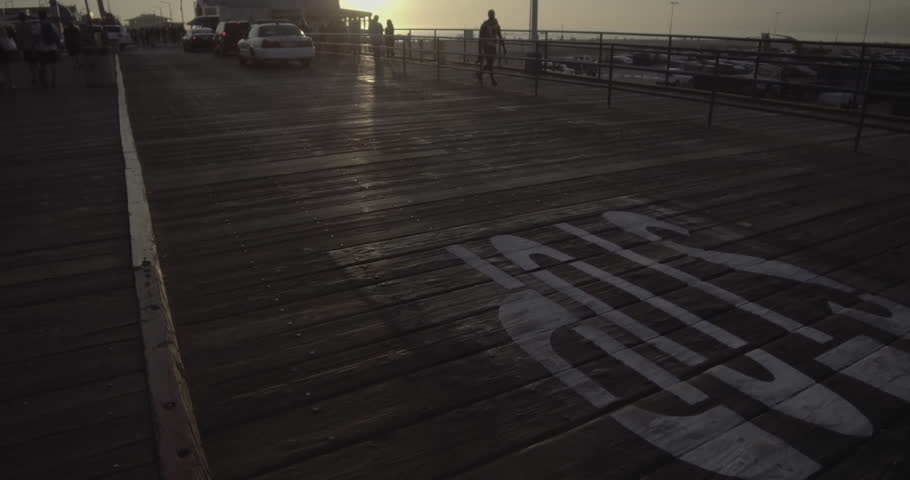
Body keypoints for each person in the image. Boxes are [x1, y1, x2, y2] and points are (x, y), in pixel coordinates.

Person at [477, 9, 506, 87]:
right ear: (488, 15)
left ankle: (480, 73)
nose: (492, 15)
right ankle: (492, 80)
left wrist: (503, 46)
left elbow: (499, 34)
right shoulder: (485, 24)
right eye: (490, 14)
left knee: (490, 63)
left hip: (493, 45)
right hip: (487, 46)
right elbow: (480, 37)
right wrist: (480, 49)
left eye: (493, 14)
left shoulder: (496, 23)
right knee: (490, 63)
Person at [35, 10, 60, 88]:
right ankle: (53, 82)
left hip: (42, 49)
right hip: (52, 48)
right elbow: (57, 34)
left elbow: (36, 37)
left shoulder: (38, 26)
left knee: (43, 66)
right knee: (53, 65)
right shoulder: (52, 25)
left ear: (39, 17)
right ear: (46, 16)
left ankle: (44, 82)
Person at [15, 13, 39, 86]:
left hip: (26, 47)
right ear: (26, 18)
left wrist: (19, 48)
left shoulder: (18, 26)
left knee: (30, 63)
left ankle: (34, 77)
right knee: (36, 62)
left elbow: (18, 39)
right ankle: (40, 73)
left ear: (19, 18)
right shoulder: (31, 25)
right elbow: (36, 35)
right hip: (34, 46)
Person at [0, 26, 17, 90]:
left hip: (2, 54)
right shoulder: (4, 36)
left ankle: (4, 81)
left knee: (3, 69)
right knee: (8, 69)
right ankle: (11, 83)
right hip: (6, 54)